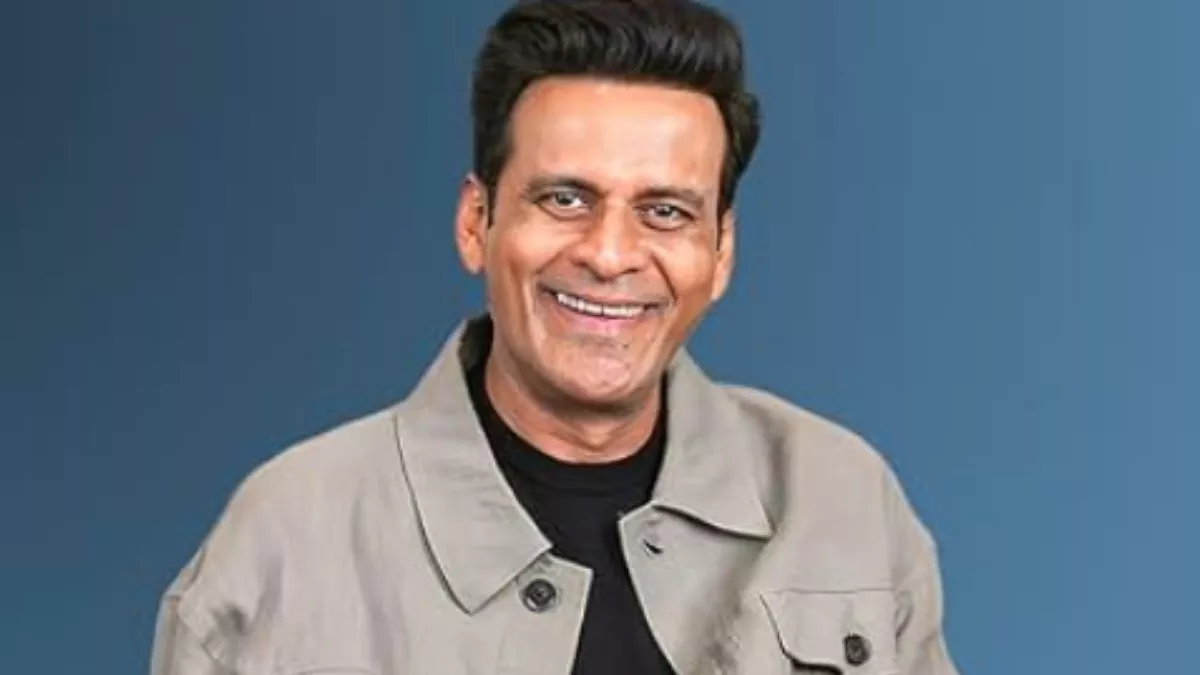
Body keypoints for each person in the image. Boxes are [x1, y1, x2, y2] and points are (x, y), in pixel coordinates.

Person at [150, 1, 959, 673]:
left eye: (665, 211)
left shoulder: (843, 496)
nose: (608, 254)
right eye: (565, 199)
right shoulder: (283, 542)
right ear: (477, 222)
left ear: (720, 252)